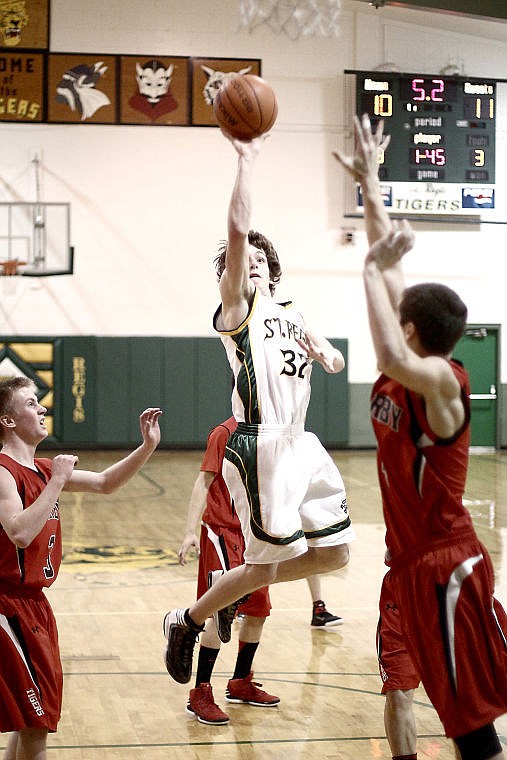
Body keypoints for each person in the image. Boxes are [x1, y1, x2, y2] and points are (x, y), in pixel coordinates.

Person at [335, 115, 507, 760]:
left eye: (399, 308)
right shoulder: (417, 351)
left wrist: (366, 269)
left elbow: (388, 344)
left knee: (470, 726)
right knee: (458, 715)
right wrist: (372, 181)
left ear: (410, 328)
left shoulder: (436, 379)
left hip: (445, 563)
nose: (392, 300)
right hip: (412, 564)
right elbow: (393, 263)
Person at [164, 129, 355, 686]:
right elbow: (238, 230)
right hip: (261, 442)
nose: (249, 263)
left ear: (274, 268)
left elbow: (337, 363)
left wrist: (326, 353)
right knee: (264, 565)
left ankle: (234, 586)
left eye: (256, 260)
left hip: (303, 442)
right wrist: (246, 161)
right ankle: (192, 617)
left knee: (336, 556)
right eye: (239, 261)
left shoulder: (292, 312)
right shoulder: (236, 312)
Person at [0, 376, 162, 760]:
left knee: (30, 719)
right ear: (7, 420)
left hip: (34, 604)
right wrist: (56, 481)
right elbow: (20, 532)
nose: (41, 409)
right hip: (7, 606)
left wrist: (147, 446)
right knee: (36, 723)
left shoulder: (40, 470)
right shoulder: (4, 471)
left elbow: (106, 483)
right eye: (31, 403)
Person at [178, 415, 279, 725]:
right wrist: (189, 530)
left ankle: (240, 681)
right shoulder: (223, 432)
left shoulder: (272, 431)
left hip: (256, 533)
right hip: (222, 531)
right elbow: (204, 480)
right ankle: (200, 692)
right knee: (220, 613)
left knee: (258, 609)